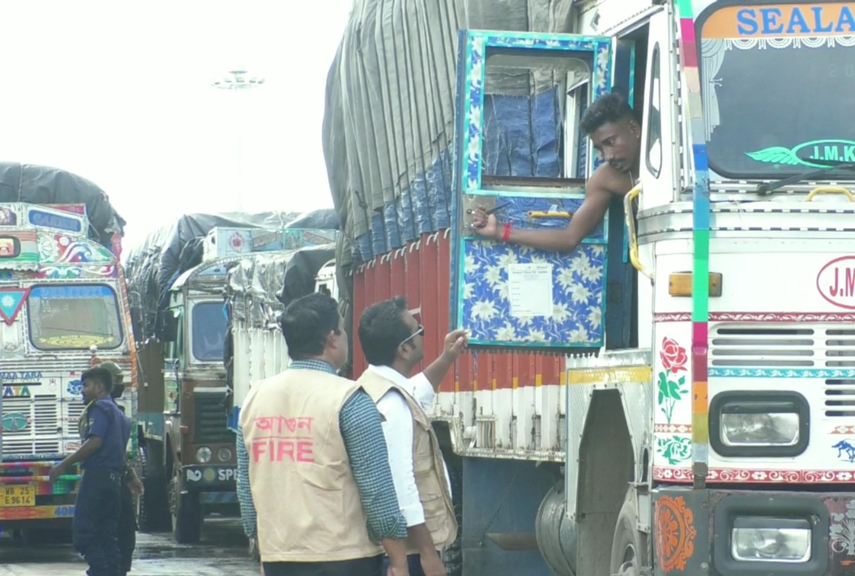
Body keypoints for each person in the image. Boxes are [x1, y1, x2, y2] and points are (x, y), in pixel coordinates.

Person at [236, 292, 412, 576]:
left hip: (279, 556)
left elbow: (246, 488)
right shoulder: (350, 399)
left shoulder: (254, 399)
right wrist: (398, 560)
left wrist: (261, 547)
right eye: (342, 330)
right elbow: (377, 490)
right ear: (332, 338)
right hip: (344, 558)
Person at [356, 297, 468, 576]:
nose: (422, 335)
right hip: (408, 552)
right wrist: (429, 554)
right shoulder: (391, 404)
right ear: (404, 349)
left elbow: (417, 390)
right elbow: (400, 483)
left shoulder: (376, 386)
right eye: (419, 331)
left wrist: (447, 357)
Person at [471, 91, 642, 252]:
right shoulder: (606, 178)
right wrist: (499, 231)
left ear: (634, 129)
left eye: (611, 142)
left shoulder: (660, 155)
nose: (608, 156)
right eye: (600, 149)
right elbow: (568, 238)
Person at [49, 367, 127, 576]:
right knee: (107, 535)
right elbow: (121, 451)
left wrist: (63, 465)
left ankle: (99, 571)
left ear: (99, 387)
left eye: (86, 385)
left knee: (83, 533)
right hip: (114, 482)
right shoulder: (119, 414)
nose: (82, 390)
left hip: (96, 479)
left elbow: (95, 442)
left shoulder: (100, 408)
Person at [97, 361, 144, 576]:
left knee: (125, 531)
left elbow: (120, 451)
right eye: (117, 381)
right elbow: (102, 447)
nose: (121, 386)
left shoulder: (114, 410)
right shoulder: (102, 411)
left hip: (118, 479)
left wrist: (130, 474)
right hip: (106, 481)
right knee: (111, 532)